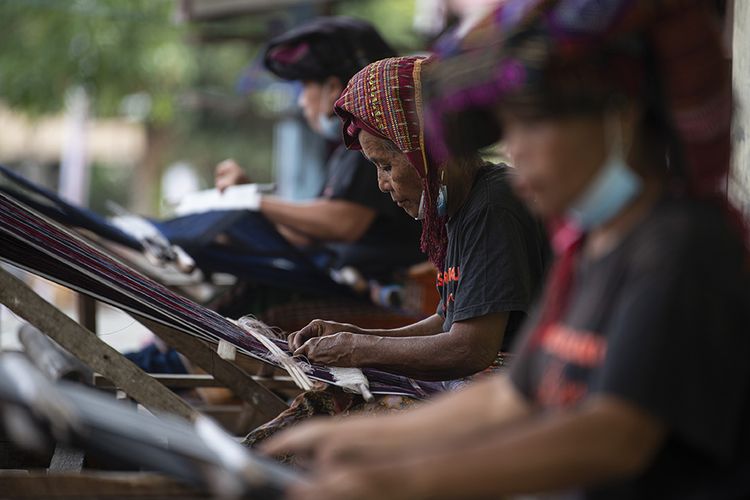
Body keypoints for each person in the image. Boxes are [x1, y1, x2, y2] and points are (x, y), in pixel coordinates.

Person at [262, 1, 750, 498]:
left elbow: (614, 436)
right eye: (509, 129)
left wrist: (402, 475)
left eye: (532, 126)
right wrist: (357, 438)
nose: (516, 151)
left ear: (619, 119)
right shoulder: (595, 247)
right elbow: (513, 396)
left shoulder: (683, 247)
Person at [242, 55, 548, 447]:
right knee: (323, 406)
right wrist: (356, 334)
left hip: (517, 389)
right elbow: (447, 321)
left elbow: (472, 347)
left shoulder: (492, 206)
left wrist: (361, 349)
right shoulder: (460, 207)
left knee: (335, 436)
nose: (383, 184)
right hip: (491, 379)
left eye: (385, 165)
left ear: (426, 151)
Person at [211, 17, 424, 287]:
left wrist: (250, 200)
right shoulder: (345, 153)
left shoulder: (372, 148)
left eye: (304, 87)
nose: (301, 100)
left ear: (333, 88)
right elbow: (305, 234)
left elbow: (343, 223)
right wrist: (249, 198)